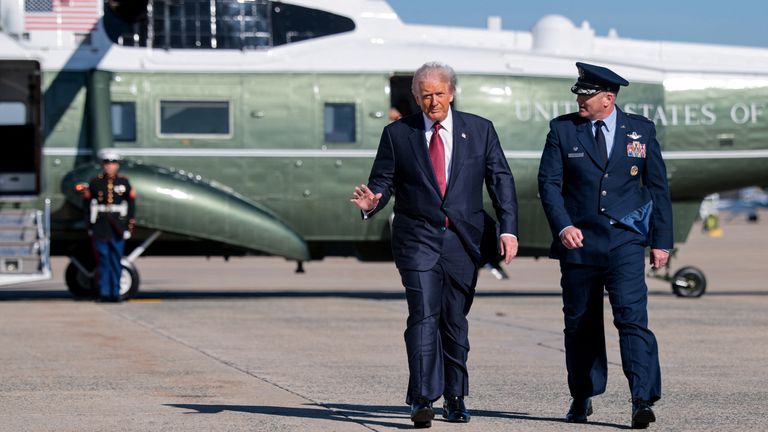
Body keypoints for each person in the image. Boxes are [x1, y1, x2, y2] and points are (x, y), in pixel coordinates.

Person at [351, 62, 518, 428]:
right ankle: (423, 398)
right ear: (416, 97)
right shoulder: (398, 134)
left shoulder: (479, 130)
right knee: (424, 315)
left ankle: (455, 396)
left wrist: (508, 230)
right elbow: (382, 180)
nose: (433, 102)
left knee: (454, 320)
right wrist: (373, 201)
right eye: (425, 95)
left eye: (439, 93)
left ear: (452, 93)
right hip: (418, 239)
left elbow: (500, 181)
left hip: (463, 240)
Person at [537, 62, 673, 429]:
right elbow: (549, 185)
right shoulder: (563, 131)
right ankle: (582, 394)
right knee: (580, 324)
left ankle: (641, 399)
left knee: (632, 319)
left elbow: (657, 187)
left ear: (608, 99)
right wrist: (563, 226)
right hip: (579, 243)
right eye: (579, 94)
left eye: (587, 94)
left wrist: (661, 241)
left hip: (625, 241)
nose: (580, 99)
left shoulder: (640, 132)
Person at [83, 150, 136, 302]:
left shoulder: (124, 183)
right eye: (107, 163)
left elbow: (131, 206)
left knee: (116, 260)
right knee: (104, 260)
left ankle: (115, 293)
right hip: (101, 226)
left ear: (117, 165)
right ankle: (104, 293)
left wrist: (128, 227)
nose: (110, 167)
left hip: (117, 227)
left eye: (113, 163)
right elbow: (87, 206)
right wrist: (90, 227)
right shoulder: (95, 183)